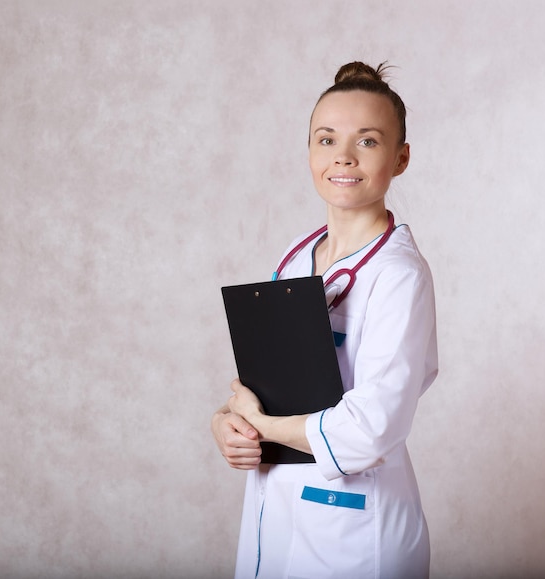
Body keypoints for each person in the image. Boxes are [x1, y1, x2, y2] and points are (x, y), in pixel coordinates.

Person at [211, 61, 438, 579]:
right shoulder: (296, 256)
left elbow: (371, 428)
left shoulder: (399, 275)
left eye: (368, 142)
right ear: (309, 152)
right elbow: (270, 379)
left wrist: (266, 426)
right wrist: (229, 423)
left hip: (356, 530)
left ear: (400, 158)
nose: (343, 156)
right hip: (277, 511)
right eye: (326, 139)